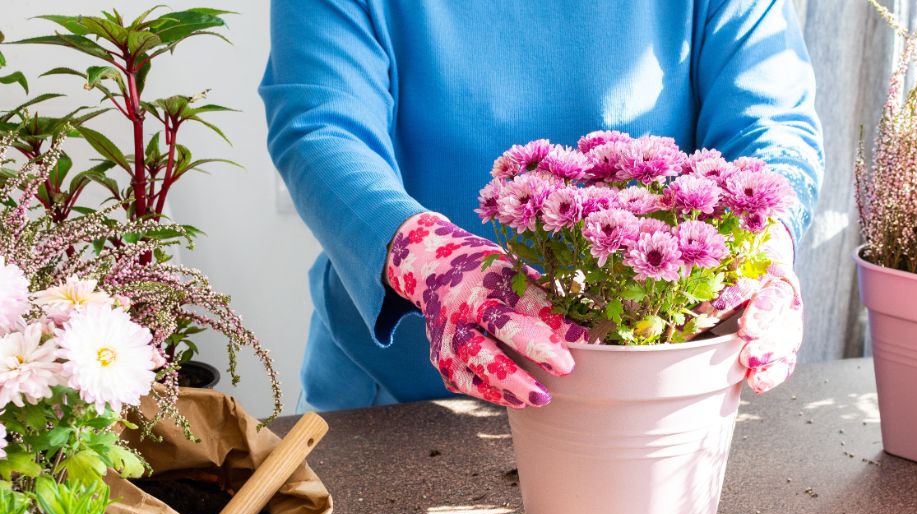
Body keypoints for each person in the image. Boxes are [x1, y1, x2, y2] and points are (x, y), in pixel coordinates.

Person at [260, 0, 824, 412]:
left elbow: (772, 122)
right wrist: (434, 261)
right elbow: (321, 127)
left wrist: (764, 240)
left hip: (646, 399)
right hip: (402, 397)